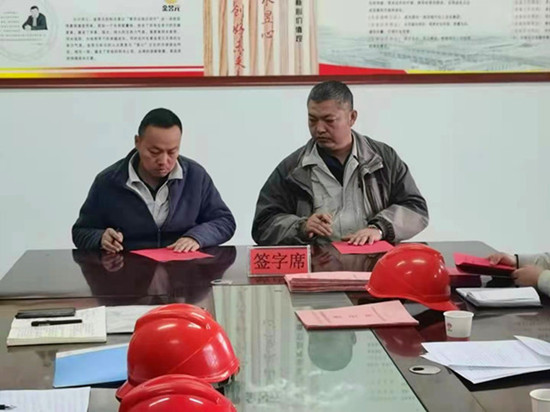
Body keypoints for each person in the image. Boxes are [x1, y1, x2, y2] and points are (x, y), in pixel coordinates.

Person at [252, 80, 428, 246]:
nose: (319, 129)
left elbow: (415, 209)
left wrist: (379, 228)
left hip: (374, 259)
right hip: (319, 262)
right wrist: (302, 227)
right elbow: (263, 225)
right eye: (312, 120)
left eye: (329, 120)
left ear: (352, 117)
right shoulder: (292, 169)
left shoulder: (382, 159)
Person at [72, 108, 235, 253]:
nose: (163, 161)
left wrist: (196, 237)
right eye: (154, 152)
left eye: (172, 152)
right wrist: (101, 238)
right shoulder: (109, 181)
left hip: (183, 270)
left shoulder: (195, 176)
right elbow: (81, 231)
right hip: (128, 271)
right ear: (137, 142)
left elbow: (225, 221)